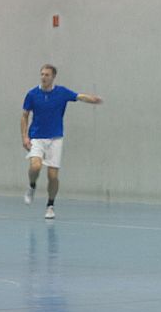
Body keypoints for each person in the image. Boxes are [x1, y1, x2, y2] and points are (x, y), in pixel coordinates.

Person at [21, 64, 103, 219]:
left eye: (47, 75)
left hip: (55, 138)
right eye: (42, 74)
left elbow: (79, 96)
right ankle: (32, 186)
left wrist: (92, 99)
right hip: (37, 137)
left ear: (53, 77)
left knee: (52, 176)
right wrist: (25, 136)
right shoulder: (32, 94)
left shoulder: (62, 93)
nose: (43, 77)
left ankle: (50, 205)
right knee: (36, 166)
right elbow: (24, 116)